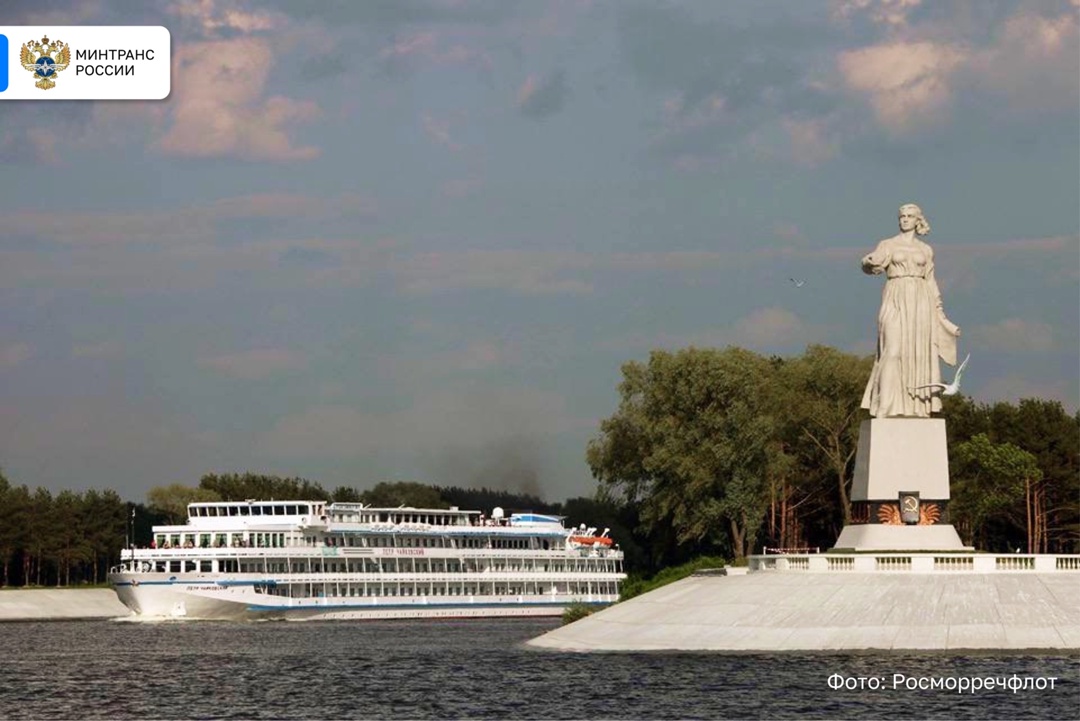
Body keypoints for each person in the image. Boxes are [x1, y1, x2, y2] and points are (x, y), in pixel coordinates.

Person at [860, 203, 961, 417]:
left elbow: (931, 282)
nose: (905, 219)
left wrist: (940, 314)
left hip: (920, 301)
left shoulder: (925, 249)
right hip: (895, 296)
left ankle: (915, 406)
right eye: (902, 216)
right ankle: (884, 404)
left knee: (917, 353)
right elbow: (869, 264)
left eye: (909, 216)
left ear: (918, 220)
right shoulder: (887, 244)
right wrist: (867, 262)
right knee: (892, 350)